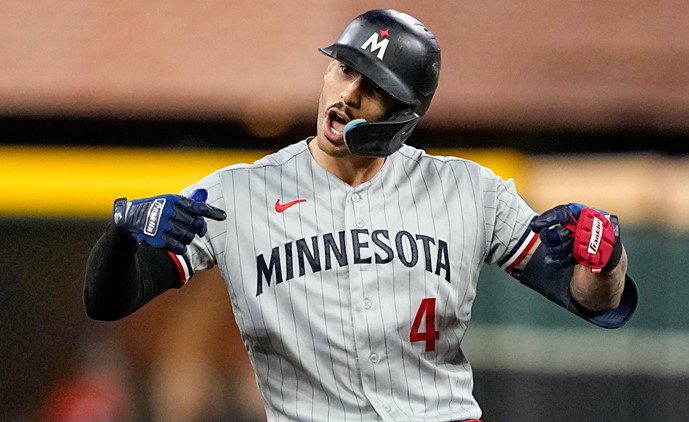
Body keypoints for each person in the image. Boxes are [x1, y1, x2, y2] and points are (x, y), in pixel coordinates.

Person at [84, 9, 637, 422]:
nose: (347, 94)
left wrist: (607, 261)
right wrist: (120, 234)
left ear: (404, 115)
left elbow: (591, 300)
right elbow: (109, 301)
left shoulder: (470, 190)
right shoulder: (239, 193)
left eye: (372, 89)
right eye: (344, 70)